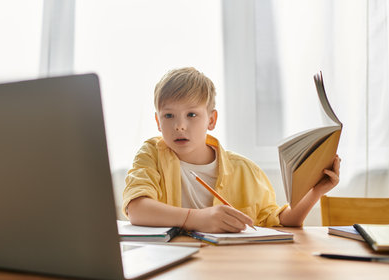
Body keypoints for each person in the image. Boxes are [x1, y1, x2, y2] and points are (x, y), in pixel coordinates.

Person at [122, 67, 340, 233]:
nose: (179, 125)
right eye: (169, 116)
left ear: (211, 119)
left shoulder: (245, 171)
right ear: (158, 122)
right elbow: (137, 209)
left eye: (191, 115)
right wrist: (198, 218)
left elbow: (281, 221)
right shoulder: (151, 154)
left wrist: (316, 191)